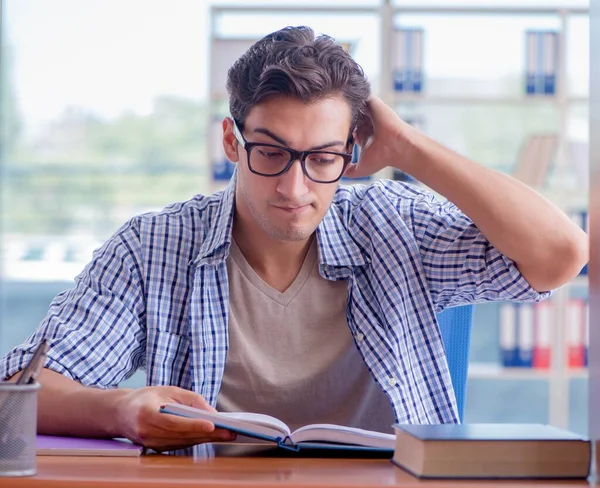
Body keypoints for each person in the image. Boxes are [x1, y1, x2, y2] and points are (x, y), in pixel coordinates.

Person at [0, 26, 587, 452]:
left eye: (323, 158)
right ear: (231, 141)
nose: (294, 186)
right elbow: (19, 394)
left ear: (351, 152)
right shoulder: (152, 246)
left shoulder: (394, 223)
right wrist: (121, 409)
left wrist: (407, 146)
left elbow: (560, 255)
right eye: (272, 152)